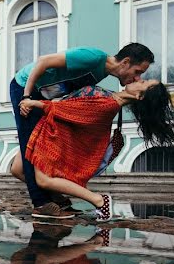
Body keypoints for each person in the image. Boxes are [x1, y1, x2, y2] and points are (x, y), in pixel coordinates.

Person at [15, 80, 174, 221]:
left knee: (43, 181)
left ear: (140, 96)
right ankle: (60, 199)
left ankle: (99, 200)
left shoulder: (109, 104)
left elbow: (67, 109)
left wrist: (35, 103)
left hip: (54, 136)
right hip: (49, 129)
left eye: (144, 81)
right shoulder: (112, 98)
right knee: (17, 168)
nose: (139, 79)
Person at [10, 44, 154, 219]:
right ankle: (41, 204)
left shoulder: (103, 74)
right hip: (26, 87)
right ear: (125, 62)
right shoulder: (93, 58)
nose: (137, 78)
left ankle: (57, 198)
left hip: (44, 98)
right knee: (28, 150)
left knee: (20, 165)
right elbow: (43, 61)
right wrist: (26, 96)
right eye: (138, 72)